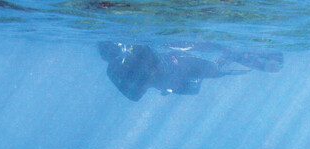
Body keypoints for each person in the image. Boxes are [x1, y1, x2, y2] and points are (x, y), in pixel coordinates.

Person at [98, 41, 283, 101]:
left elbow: (151, 57)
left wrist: (147, 80)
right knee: (216, 69)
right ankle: (260, 60)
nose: (112, 54)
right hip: (176, 75)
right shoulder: (113, 69)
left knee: (216, 67)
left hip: (180, 67)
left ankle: (258, 58)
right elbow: (135, 96)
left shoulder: (132, 53)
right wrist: (147, 81)